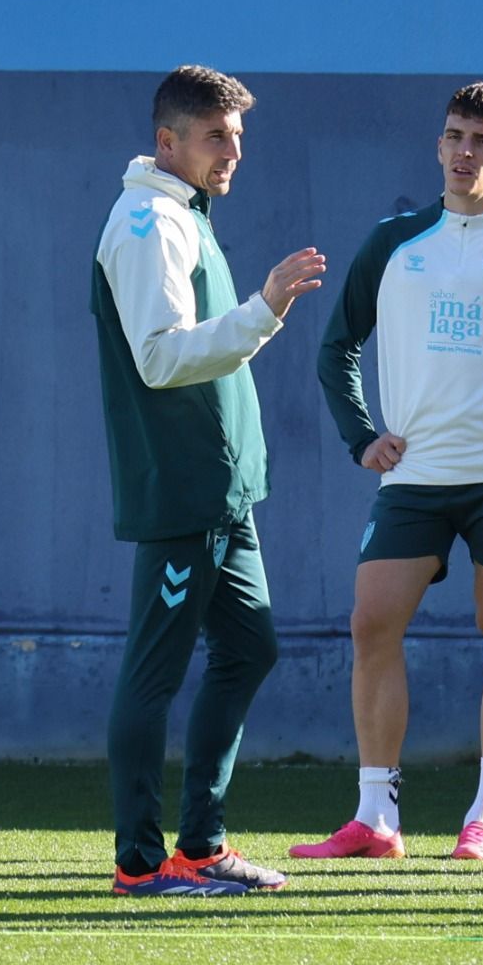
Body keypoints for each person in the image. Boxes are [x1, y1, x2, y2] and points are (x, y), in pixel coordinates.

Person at [295, 82, 483, 863]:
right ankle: (376, 817)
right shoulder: (394, 242)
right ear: (438, 145)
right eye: (456, 136)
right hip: (415, 473)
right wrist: (361, 436)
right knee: (371, 621)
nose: (467, 152)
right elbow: (337, 347)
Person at [93, 65, 327, 895]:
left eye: (238, 135)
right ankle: (138, 862)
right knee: (152, 673)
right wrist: (265, 307)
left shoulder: (185, 212)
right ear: (168, 141)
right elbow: (159, 358)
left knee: (250, 647)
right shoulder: (149, 221)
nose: (234, 151)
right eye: (216, 136)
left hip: (224, 491)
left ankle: (202, 845)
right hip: (183, 486)